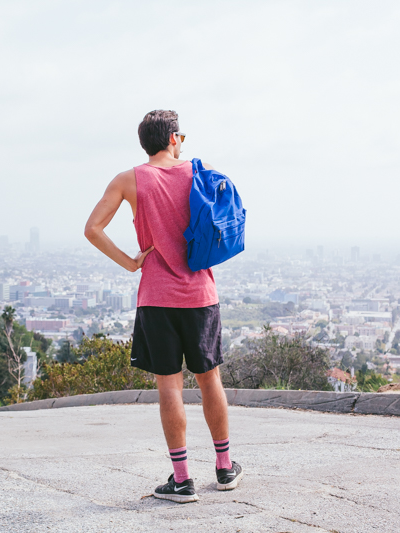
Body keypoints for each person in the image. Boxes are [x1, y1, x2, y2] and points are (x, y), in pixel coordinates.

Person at [84, 110, 243, 503]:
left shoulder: (128, 180)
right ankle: (224, 469)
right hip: (200, 294)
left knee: (169, 386)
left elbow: (92, 228)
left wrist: (131, 261)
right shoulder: (199, 173)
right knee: (210, 380)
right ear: (173, 138)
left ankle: (182, 478)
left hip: (156, 296)